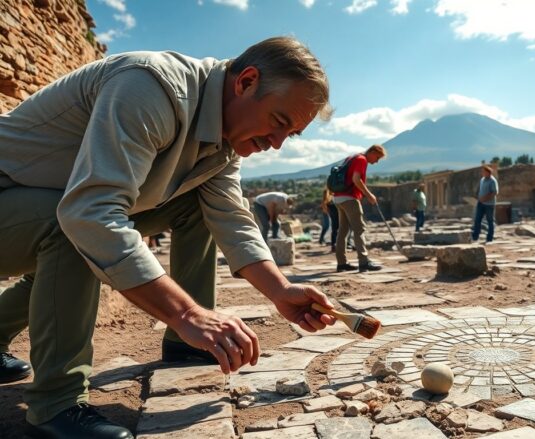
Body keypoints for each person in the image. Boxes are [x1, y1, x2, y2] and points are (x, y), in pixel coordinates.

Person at [0, 37, 340, 438]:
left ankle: (188, 344)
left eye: (292, 134)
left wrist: (281, 290)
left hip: (45, 206)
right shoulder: (151, 87)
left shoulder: (224, 140)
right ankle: (55, 404)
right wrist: (187, 313)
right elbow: (89, 213)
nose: (278, 143)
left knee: (195, 205)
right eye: (279, 122)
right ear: (246, 82)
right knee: (77, 226)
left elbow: (230, 217)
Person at [332, 145, 386, 273]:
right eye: (377, 157)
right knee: (359, 229)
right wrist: (369, 195)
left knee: (343, 231)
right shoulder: (362, 159)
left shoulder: (352, 157)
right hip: (350, 198)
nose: (376, 161)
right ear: (372, 152)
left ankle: (342, 263)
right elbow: (356, 179)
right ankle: (364, 261)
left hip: (338, 198)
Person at [471, 165, 498, 243]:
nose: (483, 173)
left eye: (484, 172)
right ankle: (475, 237)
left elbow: (494, 192)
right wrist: (478, 197)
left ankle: (489, 238)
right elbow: (480, 190)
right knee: (477, 220)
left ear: (488, 172)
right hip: (481, 203)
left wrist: (485, 198)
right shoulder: (482, 180)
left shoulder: (493, 181)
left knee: (490, 221)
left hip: (489, 204)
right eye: (482, 172)